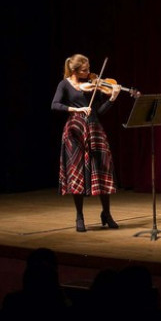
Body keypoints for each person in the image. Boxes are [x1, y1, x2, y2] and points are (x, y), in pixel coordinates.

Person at [51, 54, 130, 232]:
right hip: (74, 130)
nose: (89, 74)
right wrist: (76, 108)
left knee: (102, 170)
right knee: (77, 171)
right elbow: (55, 105)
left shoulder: (94, 86)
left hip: (94, 129)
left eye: (88, 69)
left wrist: (112, 99)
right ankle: (79, 216)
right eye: (84, 70)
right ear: (74, 70)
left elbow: (100, 111)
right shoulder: (64, 84)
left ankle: (107, 213)